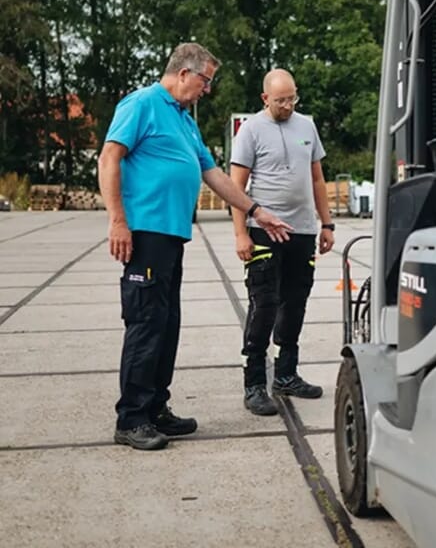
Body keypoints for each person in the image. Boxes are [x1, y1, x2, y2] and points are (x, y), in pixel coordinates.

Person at [98, 43, 291, 451]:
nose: (207, 90)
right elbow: (109, 158)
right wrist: (117, 220)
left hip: (171, 237)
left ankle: (156, 409)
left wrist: (258, 211)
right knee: (146, 325)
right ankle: (131, 417)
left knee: (167, 326)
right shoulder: (143, 103)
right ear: (183, 73)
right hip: (145, 233)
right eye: (205, 81)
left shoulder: (185, 120)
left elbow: (215, 175)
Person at [230, 68, 335, 416]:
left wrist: (327, 224)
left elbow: (318, 179)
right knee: (265, 303)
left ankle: (286, 375)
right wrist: (241, 233)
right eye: (280, 100)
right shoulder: (251, 131)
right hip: (263, 230)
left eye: (292, 98)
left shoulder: (307, 126)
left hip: (302, 231)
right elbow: (235, 187)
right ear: (265, 99)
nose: (288, 105)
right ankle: (255, 383)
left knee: (295, 302)